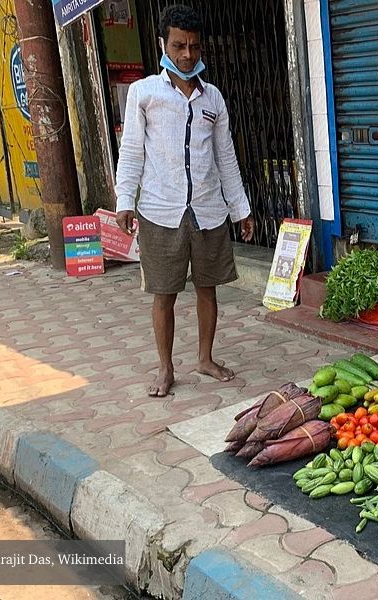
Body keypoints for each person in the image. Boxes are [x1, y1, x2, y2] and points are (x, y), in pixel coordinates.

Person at [114, 4, 253, 397]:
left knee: (208, 288)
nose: (187, 54)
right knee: (164, 293)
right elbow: (132, 152)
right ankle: (165, 367)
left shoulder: (214, 99)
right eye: (179, 45)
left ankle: (205, 358)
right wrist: (125, 199)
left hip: (208, 209)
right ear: (164, 45)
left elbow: (225, 156)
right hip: (160, 210)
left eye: (194, 46)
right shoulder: (144, 93)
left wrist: (241, 208)